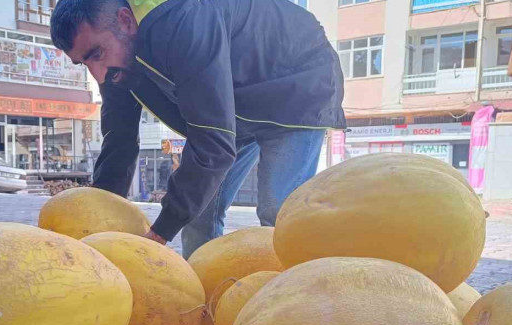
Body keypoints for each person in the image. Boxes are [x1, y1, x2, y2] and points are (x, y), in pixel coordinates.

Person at [51, 0, 345, 258]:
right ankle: (202, 301)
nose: (97, 73)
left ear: (126, 21)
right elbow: (119, 139)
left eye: (96, 54)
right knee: (199, 212)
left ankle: (291, 300)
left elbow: (211, 143)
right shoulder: (114, 67)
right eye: (83, 62)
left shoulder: (184, 22)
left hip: (297, 84)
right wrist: (99, 218)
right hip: (237, 105)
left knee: (277, 210)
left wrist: (159, 234)